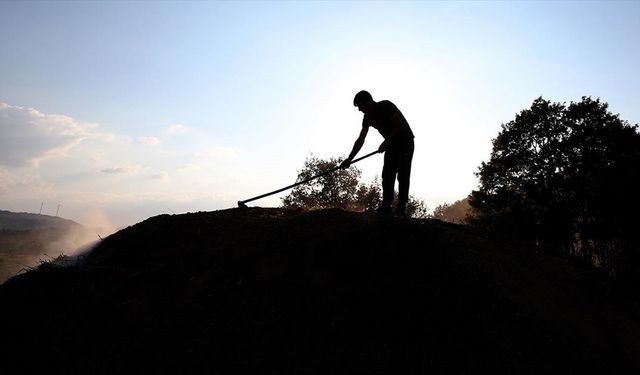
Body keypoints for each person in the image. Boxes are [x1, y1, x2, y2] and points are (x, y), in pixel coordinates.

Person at [340, 90, 415, 216]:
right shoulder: (367, 117)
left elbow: (399, 126)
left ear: (367, 102)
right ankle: (386, 206)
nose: (359, 110)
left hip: (405, 142)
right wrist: (349, 159)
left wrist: (386, 142)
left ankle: (401, 208)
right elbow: (361, 139)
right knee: (387, 174)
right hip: (391, 145)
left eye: (360, 106)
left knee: (402, 175)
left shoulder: (386, 106)